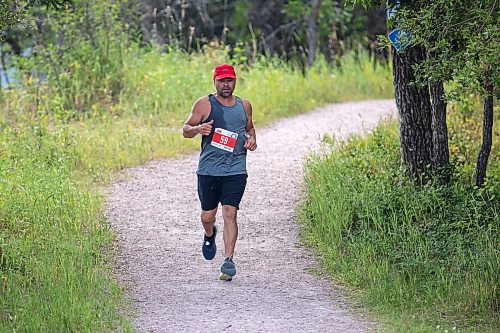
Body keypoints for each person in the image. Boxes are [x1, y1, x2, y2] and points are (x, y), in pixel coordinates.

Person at [182, 63, 257, 281]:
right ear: (214, 81)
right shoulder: (204, 104)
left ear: (235, 81)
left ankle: (228, 261)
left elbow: (249, 128)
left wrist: (252, 139)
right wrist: (198, 129)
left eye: (230, 80)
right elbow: (185, 130)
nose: (226, 84)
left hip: (236, 169)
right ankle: (209, 233)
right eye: (222, 80)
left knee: (230, 212)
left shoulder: (244, 106)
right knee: (208, 216)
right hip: (208, 170)